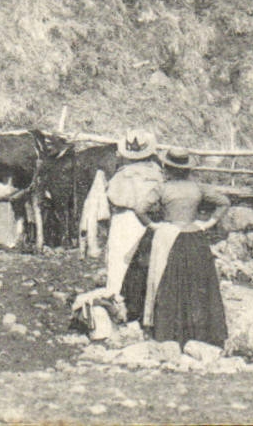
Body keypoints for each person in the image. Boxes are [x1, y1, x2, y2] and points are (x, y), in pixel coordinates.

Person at [120, 147, 230, 348]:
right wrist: (208, 223)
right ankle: (200, 334)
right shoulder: (197, 187)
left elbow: (139, 208)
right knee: (198, 285)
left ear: (167, 167)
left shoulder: (163, 188)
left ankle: (168, 332)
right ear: (187, 168)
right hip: (194, 237)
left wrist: (153, 225)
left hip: (170, 236)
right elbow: (224, 202)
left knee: (168, 282)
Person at [71, 129, 163, 324]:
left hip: (124, 219)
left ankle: (117, 306)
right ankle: (146, 310)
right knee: (146, 263)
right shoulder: (156, 173)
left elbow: (112, 195)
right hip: (148, 220)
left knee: (119, 262)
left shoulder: (122, 174)